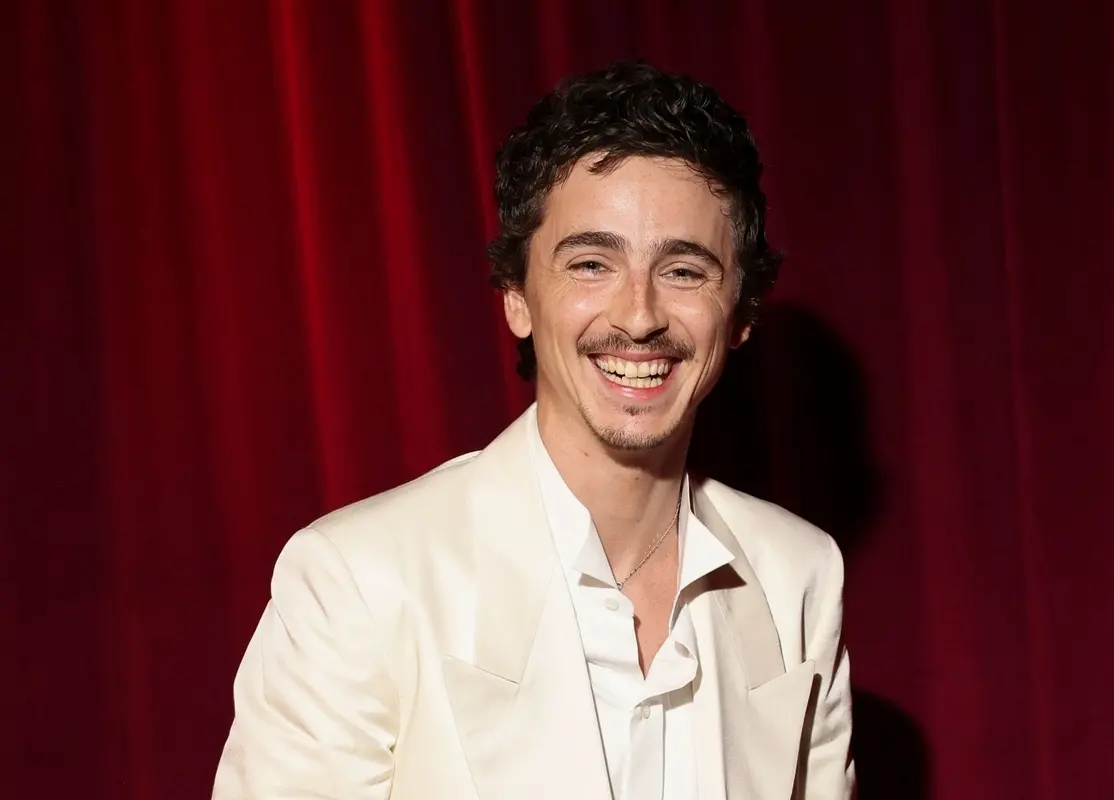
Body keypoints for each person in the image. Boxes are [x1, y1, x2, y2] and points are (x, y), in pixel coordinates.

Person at [212, 60, 854, 800]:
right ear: (517, 297)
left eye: (684, 271)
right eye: (590, 263)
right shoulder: (358, 580)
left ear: (740, 313)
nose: (638, 315)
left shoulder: (799, 576)